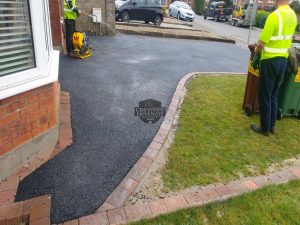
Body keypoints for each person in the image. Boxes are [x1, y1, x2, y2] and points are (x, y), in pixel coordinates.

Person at [251, 0, 297, 136]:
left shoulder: (274, 16)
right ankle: (271, 126)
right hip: (283, 61)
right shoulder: (293, 15)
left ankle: (264, 128)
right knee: (274, 95)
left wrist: (257, 51)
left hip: (270, 61)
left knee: (265, 94)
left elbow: (261, 43)